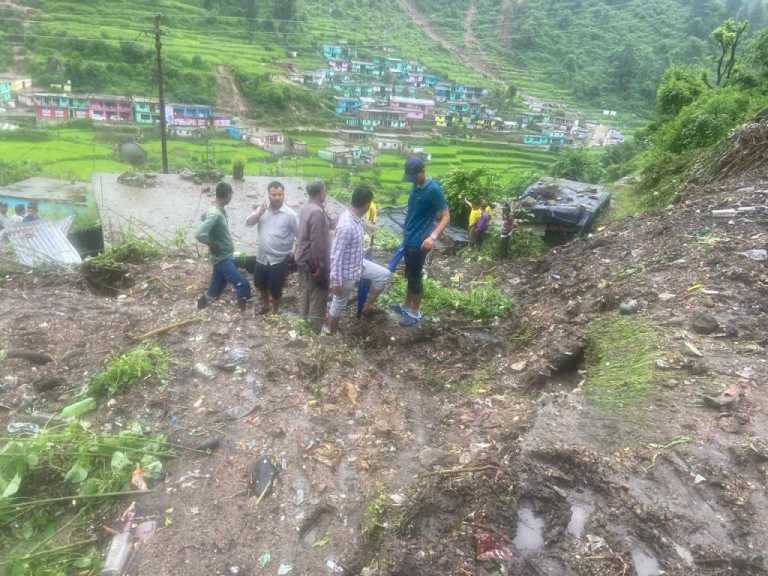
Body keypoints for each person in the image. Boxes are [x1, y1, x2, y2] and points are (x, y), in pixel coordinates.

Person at [325, 184, 391, 334]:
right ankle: (331, 333)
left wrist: (371, 228)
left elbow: (364, 227)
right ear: (367, 205)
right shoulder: (347, 226)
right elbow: (335, 256)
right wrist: (335, 282)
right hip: (346, 274)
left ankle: (367, 307)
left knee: (383, 275)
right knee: (338, 304)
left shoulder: (356, 218)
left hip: (358, 264)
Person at [393, 157, 450, 327]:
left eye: (412, 176)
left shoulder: (433, 189)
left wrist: (432, 237)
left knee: (415, 277)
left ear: (421, 172)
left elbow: (446, 216)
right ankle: (405, 306)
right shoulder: (416, 186)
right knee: (409, 274)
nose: (410, 180)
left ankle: (415, 312)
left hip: (420, 242)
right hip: (409, 238)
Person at [196, 182, 252, 312]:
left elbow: (203, 217)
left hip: (220, 257)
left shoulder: (215, 209)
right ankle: (242, 314)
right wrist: (212, 244)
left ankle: (200, 309)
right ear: (228, 195)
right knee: (243, 285)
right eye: (231, 195)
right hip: (222, 258)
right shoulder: (215, 214)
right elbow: (199, 234)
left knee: (214, 292)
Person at [246, 181, 298, 315]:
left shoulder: (290, 215)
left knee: (276, 288)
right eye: (273, 194)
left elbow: (300, 236)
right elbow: (248, 223)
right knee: (259, 284)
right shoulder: (262, 209)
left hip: (279, 259)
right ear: (268, 195)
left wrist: (295, 252)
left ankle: (275, 311)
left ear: (284, 194)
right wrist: (258, 213)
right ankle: (265, 306)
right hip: (262, 256)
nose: (276, 197)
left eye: (279, 194)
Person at [295, 180, 332, 333]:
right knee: (318, 296)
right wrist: (321, 267)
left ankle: (302, 324)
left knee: (305, 291)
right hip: (313, 262)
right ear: (321, 192)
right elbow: (317, 244)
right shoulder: (317, 212)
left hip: (302, 258)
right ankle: (314, 331)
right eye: (325, 190)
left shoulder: (307, 207)